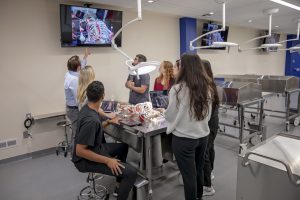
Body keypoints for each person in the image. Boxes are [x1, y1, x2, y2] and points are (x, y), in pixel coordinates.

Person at [72, 81, 137, 200]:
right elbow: (80, 151)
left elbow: (93, 131)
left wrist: (108, 122)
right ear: (103, 96)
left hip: (95, 148)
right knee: (131, 173)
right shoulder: (91, 120)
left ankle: (119, 183)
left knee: (123, 147)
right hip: (83, 160)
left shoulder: (88, 108)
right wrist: (108, 161)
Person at [165, 54, 217, 200]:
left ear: (184, 68)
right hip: (203, 137)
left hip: (184, 140)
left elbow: (170, 115)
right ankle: (199, 196)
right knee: (198, 171)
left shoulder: (177, 89)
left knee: (189, 177)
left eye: (179, 65)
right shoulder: (207, 87)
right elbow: (208, 113)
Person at [64, 48, 90, 151]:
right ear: (78, 67)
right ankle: (75, 156)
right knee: (77, 134)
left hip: (70, 108)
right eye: (80, 66)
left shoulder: (69, 73)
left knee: (75, 131)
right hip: (74, 110)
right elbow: (79, 100)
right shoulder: (74, 80)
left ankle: (73, 151)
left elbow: (81, 68)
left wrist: (85, 57)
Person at [202, 60, 219, 197]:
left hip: (210, 123)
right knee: (210, 148)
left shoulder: (208, 87)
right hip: (212, 122)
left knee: (205, 153)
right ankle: (210, 172)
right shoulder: (211, 84)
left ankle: (207, 186)